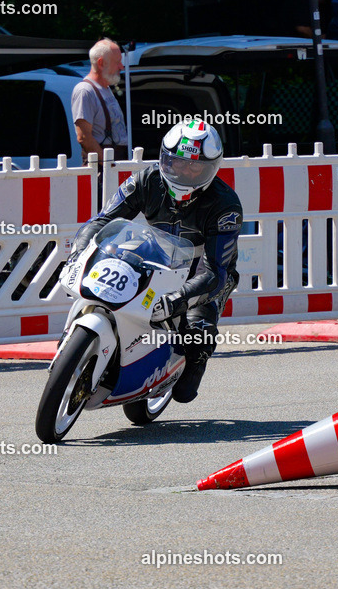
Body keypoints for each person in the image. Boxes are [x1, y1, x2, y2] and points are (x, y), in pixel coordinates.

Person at [69, 120, 242, 403]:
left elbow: (215, 272)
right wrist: (78, 251)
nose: (183, 171)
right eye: (176, 162)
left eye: (193, 167)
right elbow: (101, 221)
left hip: (204, 271)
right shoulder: (145, 180)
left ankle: (190, 359)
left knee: (193, 353)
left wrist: (177, 299)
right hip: (157, 254)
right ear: (164, 157)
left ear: (211, 168)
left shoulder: (226, 205)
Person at [72, 38, 128, 163]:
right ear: (101, 63)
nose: (121, 66)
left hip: (115, 161)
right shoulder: (85, 91)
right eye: (117, 62)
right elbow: (83, 137)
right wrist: (108, 165)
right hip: (102, 168)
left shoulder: (106, 89)